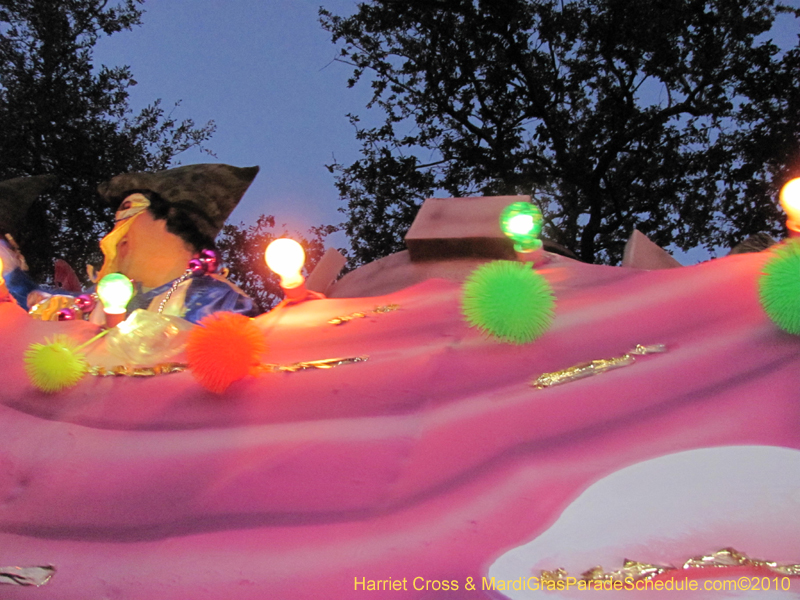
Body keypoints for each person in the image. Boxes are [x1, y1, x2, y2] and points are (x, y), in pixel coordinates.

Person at [5, 164, 261, 324]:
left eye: (130, 212)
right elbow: (24, 305)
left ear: (172, 218)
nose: (116, 233)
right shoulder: (95, 302)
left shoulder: (217, 299)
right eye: (117, 221)